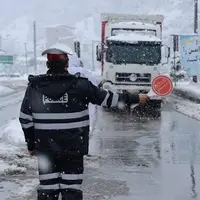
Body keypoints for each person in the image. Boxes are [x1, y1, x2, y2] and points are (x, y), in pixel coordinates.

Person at [19, 44, 149, 200]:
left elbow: (25, 118)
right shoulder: (81, 86)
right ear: (67, 64)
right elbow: (108, 99)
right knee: (71, 190)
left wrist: (32, 144)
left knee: (48, 190)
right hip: (73, 149)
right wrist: (134, 98)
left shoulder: (34, 87)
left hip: (46, 150)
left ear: (47, 64)